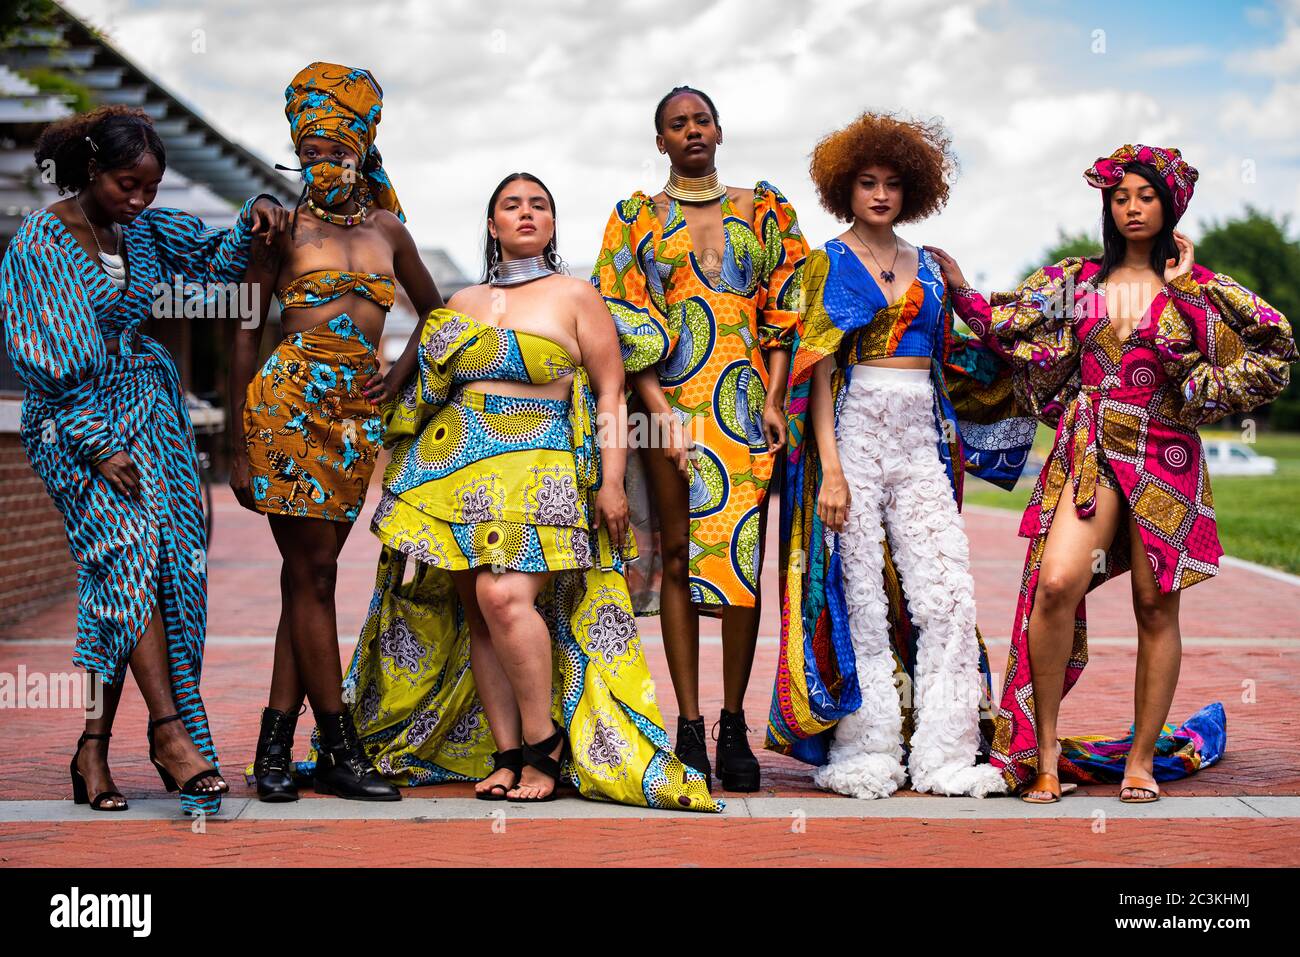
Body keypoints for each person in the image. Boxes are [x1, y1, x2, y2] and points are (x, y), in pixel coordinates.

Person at [333, 172, 719, 810]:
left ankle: (545, 747)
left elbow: (610, 394)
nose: (525, 213)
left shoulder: (576, 296)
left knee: (505, 597)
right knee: (483, 615)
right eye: (511, 205)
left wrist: (614, 482)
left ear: (553, 222)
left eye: (538, 204)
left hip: (543, 475)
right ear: (493, 225)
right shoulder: (459, 304)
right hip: (450, 473)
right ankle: (506, 756)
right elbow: (425, 393)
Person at [930, 144, 1295, 802]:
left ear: (1170, 206)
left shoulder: (1200, 287)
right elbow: (1014, 328)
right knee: (1056, 583)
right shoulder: (1079, 280)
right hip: (1090, 449)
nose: (1131, 206)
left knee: (1156, 606)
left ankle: (1143, 759)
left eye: (1145, 196)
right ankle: (1041, 753)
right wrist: (959, 288)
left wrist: (1185, 298)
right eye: (1121, 196)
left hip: (1168, 456)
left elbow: (1272, 345)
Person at [0, 105, 286, 815]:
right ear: (92, 169)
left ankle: (91, 750)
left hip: (150, 409)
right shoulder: (40, 242)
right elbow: (47, 363)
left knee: (160, 571)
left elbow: (220, 260)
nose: (139, 199)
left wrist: (257, 211)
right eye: (128, 184)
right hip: (76, 425)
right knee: (126, 551)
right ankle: (170, 733)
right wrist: (100, 445)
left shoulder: (141, 229)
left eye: (151, 188)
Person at [765, 113, 1036, 799]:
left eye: (892, 183)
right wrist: (828, 466)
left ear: (912, 189)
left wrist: (968, 287)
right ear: (844, 189)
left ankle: (945, 752)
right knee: (859, 599)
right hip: (853, 434)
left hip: (922, 439)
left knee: (945, 593)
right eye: (867, 182)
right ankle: (866, 747)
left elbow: (964, 352)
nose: (880, 194)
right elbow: (818, 368)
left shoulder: (932, 266)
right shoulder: (825, 261)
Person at [231, 62, 443, 802]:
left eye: (337, 151)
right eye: (310, 153)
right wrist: (234, 440)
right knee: (313, 577)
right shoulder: (281, 227)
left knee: (307, 582)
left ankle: (272, 752)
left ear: (362, 151)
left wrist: (401, 371)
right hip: (287, 410)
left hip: (356, 423)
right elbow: (243, 328)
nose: (324, 163)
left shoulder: (390, 230)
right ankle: (339, 746)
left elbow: (436, 313)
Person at [592, 86, 809, 791]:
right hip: (668, 407)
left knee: (741, 561)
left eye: (701, 120)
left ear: (720, 130)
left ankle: (732, 721)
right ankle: (688, 722)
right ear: (661, 141)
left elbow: (786, 308)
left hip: (746, 409)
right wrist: (662, 415)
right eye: (677, 124)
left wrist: (775, 398)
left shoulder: (765, 208)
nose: (692, 131)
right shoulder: (636, 218)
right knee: (682, 555)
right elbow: (622, 319)